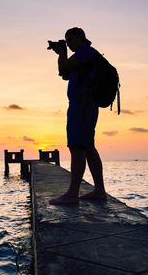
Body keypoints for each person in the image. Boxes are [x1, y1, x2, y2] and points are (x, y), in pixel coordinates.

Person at [48, 27, 107, 205]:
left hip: (82, 105)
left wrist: (63, 53)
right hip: (84, 105)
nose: (69, 43)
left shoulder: (85, 52)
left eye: (71, 39)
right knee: (88, 147)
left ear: (82, 38)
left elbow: (64, 67)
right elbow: (64, 73)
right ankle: (99, 191)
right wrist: (61, 53)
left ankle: (73, 194)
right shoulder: (82, 55)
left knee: (77, 146)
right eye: (67, 40)